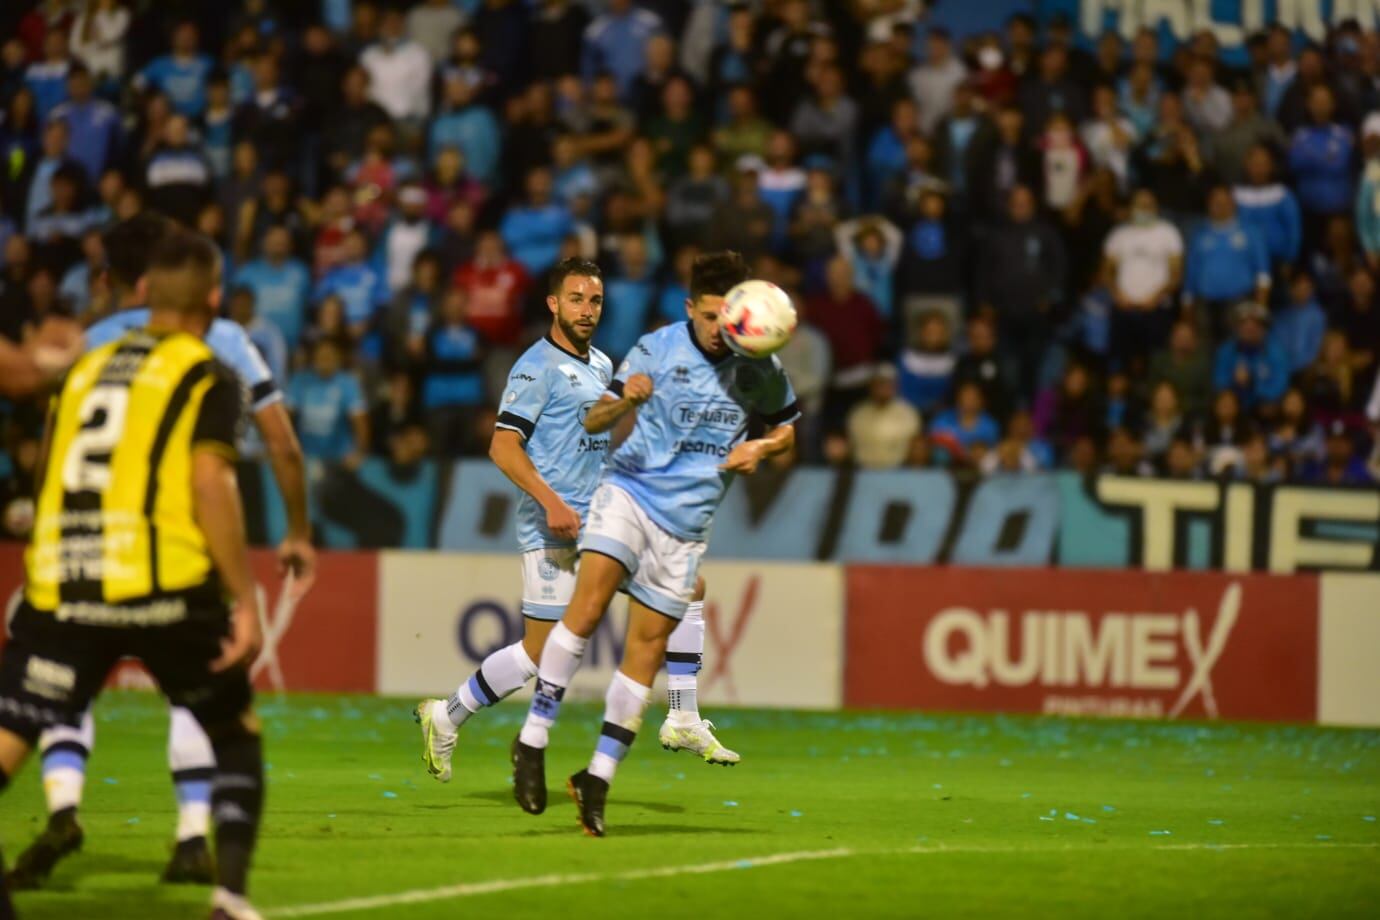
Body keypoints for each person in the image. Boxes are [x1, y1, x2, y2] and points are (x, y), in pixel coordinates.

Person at [9, 215, 314, 891]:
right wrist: (292, 535)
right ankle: (198, 848)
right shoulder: (221, 349)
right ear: (209, 295)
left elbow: (49, 453)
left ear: (127, 282)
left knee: (40, 708)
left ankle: (62, 808)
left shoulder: (89, 347)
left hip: (74, 559)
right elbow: (270, 451)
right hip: (168, 559)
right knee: (215, 708)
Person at [511, 251, 798, 836]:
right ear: (690, 309)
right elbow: (594, 420)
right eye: (712, 316)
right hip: (629, 493)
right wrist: (627, 400)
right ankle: (533, 739)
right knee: (586, 610)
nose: (724, 329)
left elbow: (788, 427)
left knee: (644, 650)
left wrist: (762, 449)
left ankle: (597, 779)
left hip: (687, 524)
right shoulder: (655, 348)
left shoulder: (759, 362)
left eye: (731, 316)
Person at [847, 364, 921, 469]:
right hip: (864, 472)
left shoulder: (908, 414)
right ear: (871, 386)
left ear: (896, 386)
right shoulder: (858, 414)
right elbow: (852, 449)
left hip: (900, 472)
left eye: (888, 384)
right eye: (879, 384)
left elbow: (915, 450)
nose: (883, 388)